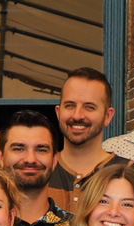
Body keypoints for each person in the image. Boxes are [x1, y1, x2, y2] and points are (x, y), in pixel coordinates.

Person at [0, 110, 74, 226]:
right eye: (19, 148)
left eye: (41, 149)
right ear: (0, 156)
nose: (30, 159)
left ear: (54, 160)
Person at [51, 67, 121, 207]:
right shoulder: (39, 169)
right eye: (70, 105)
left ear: (108, 116)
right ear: (58, 113)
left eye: (89, 107)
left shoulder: (128, 171)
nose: (77, 116)